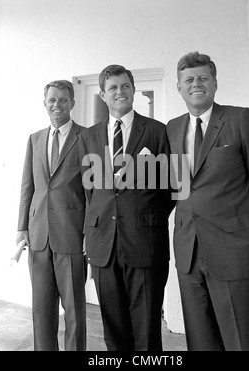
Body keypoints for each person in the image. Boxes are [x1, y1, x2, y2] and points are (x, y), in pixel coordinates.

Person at [166, 51, 249, 351]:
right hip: (188, 253)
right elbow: (173, 187)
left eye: (203, 78)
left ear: (215, 83)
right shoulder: (171, 128)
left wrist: (244, 224)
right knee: (201, 342)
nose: (196, 84)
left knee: (242, 341)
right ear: (179, 87)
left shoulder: (241, 119)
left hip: (234, 251)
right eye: (188, 79)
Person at [81, 64, 174, 351]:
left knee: (147, 330)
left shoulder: (159, 131)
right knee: (114, 328)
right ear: (102, 94)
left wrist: (145, 218)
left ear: (133, 89)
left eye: (125, 86)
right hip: (104, 246)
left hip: (145, 243)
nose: (119, 91)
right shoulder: (88, 136)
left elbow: (173, 188)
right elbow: (90, 189)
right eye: (113, 87)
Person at [16, 80, 87, 351]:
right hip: (38, 235)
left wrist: (89, 232)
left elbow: (92, 191)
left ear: (72, 103)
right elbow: (27, 186)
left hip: (71, 234)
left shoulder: (86, 137)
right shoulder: (35, 139)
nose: (56, 105)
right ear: (45, 103)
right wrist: (22, 227)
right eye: (52, 100)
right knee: (41, 310)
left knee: (74, 312)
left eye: (62, 100)